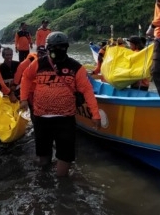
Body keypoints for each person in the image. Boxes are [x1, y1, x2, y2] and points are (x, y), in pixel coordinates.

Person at [20, 32, 101, 177]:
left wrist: (95, 114)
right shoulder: (39, 63)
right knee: (43, 154)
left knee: (65, 155)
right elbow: (26, 77)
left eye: (60, 47)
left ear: (66, 48)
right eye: (53, 47)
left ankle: (62, 184)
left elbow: (88, 91)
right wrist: (24, 98)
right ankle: (44, 178)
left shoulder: (76, 67)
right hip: (41, 117)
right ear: (48, 48)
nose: (56, 50)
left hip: (65, 118)